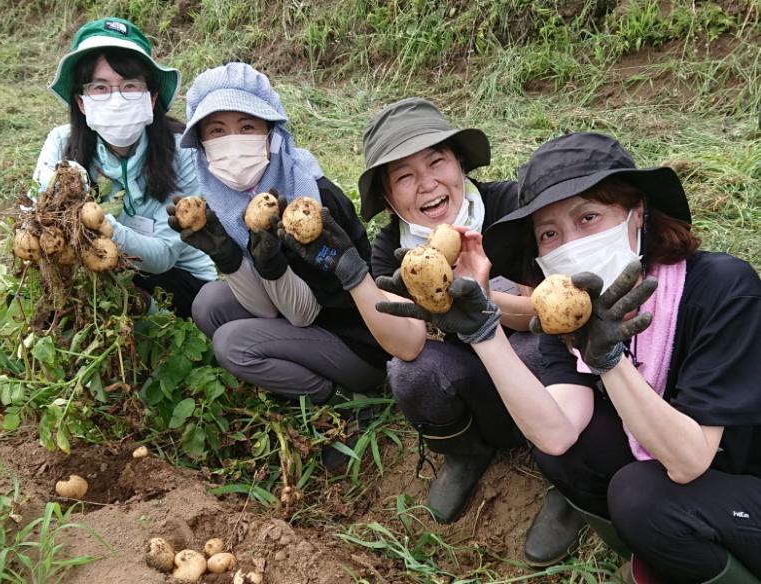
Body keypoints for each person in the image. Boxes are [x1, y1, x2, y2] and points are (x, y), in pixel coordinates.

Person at [377, 132, 761, 583]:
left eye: (589, 217)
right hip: (693, 479)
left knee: (641, 497)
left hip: (744, 478)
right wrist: (484, 332)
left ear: (637, 213)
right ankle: (662, 550)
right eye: (550, 233)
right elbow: (554, 433)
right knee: (570, 455)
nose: (569, 243)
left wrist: (609, 360)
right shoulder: (570, 311)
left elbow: (690, 458)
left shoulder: (720, 288)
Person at [353, 96, 583, 565]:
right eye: (404, 176)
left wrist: (483, 302)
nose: (428, 184)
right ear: (388, 198)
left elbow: (556, 316)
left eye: (436, 161)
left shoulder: (509, 207)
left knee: (544, 350)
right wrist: (352, 274)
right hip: (474, 383)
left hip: (539, 375)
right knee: (410, 374)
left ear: (459, 163)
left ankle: (570, 480)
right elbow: (408, 345)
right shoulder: (393, 251)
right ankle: (466, 454)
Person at [169, 62, 399, 434]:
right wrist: (228, 256)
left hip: (355, 341)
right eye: (217, 131)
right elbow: (263, 305)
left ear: (270, 134)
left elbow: (302, 315)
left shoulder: (311, 201)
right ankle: (287, 373)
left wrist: (272, 264)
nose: (232, 141)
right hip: (297, 318)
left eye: (246, 127)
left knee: (233, 344)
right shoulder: (228, 202)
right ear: (202, 146)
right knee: (208, 303)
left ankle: (339, 398)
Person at [32, 17, 216, 318]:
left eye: (129, 86)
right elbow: (39, 218)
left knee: (125, 287)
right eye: (100, 88)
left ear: (151, 97)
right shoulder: (61, 144)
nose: (116, 99)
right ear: (81, 102)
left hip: (180, 282)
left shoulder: (183, 151)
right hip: (99, 268)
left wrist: (103, 225)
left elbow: (164, 257)